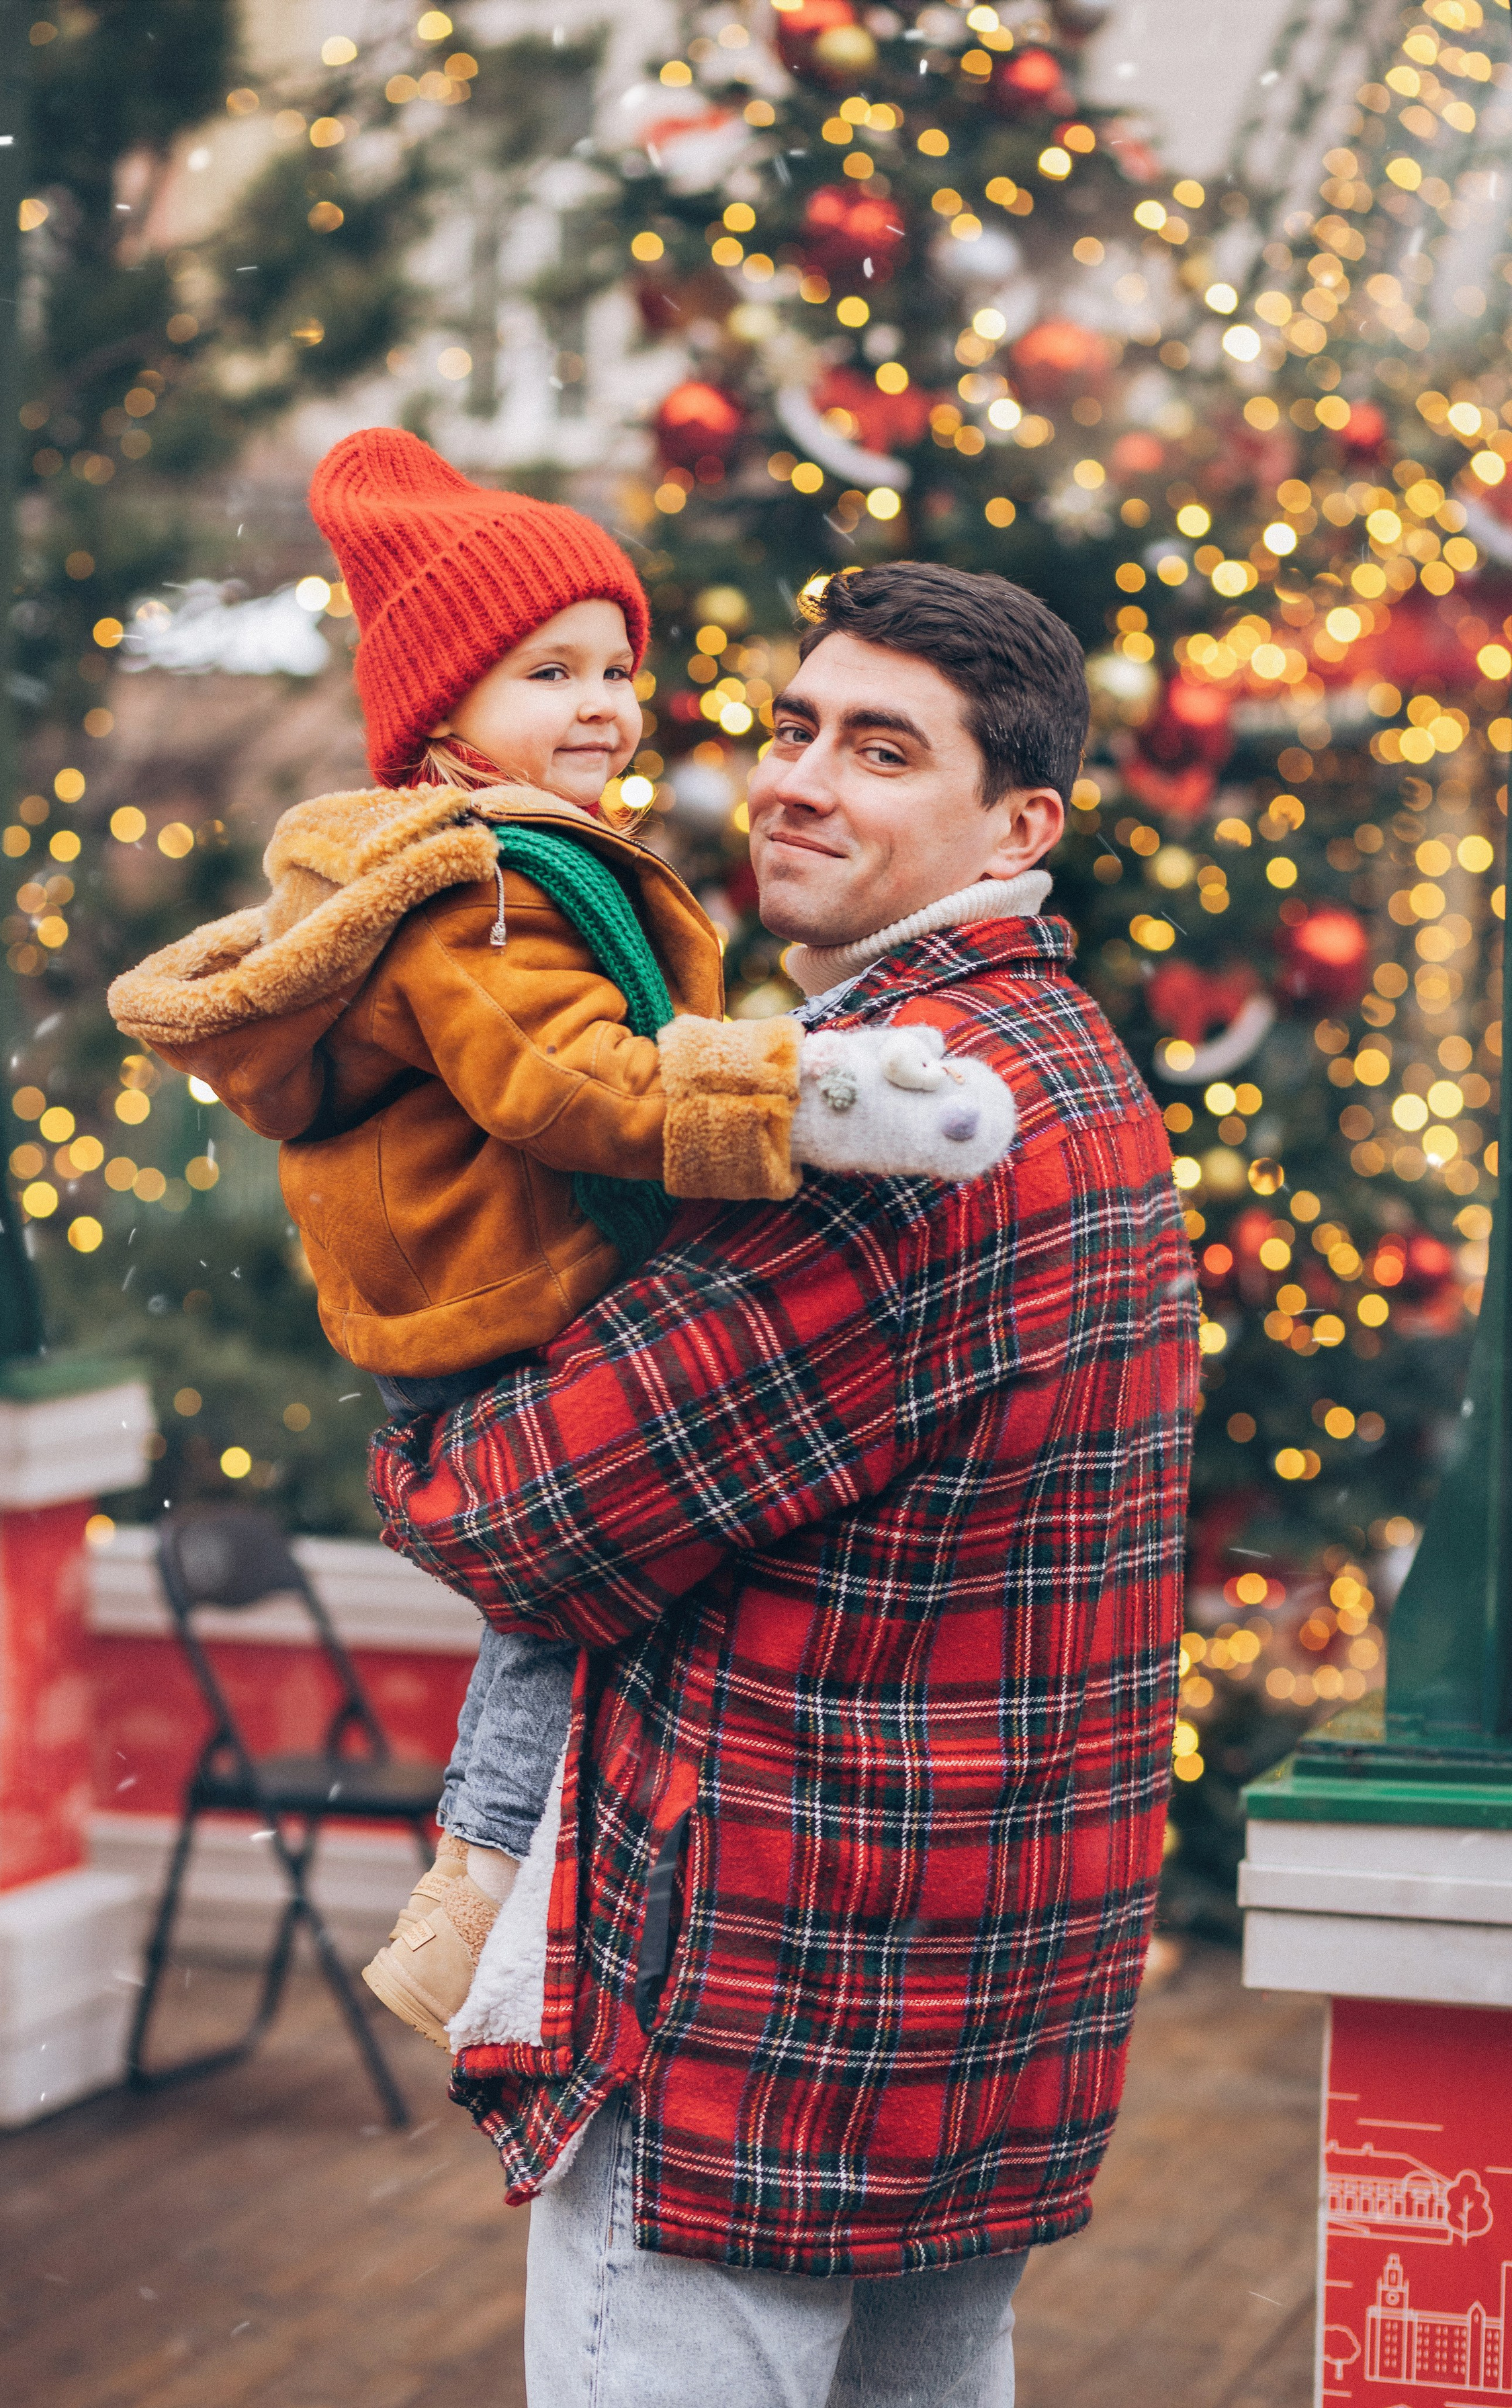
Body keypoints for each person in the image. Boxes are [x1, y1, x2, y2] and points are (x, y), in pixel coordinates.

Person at [372, 560, 1198, 2408]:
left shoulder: (884, 1118)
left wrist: (418, 1385)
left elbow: (524, 1515)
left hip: (768, 2021)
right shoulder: (1075, 1063)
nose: (802, 782)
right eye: (795, 727)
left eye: (883, 750)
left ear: (1019, 824)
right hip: (984, 2017)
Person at [108, 439, 1017, 2055]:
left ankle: (486, 1888)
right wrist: (807, 1095)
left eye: (615, 665)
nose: (600, 701)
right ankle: (479, 1898)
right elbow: (562, 1085)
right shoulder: (480, 887)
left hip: (480, 1292)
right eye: (548, 671)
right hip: (501, 1302)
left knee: (568, 1611)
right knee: (569, 1607)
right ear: (445, 712)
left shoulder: (524, 855)